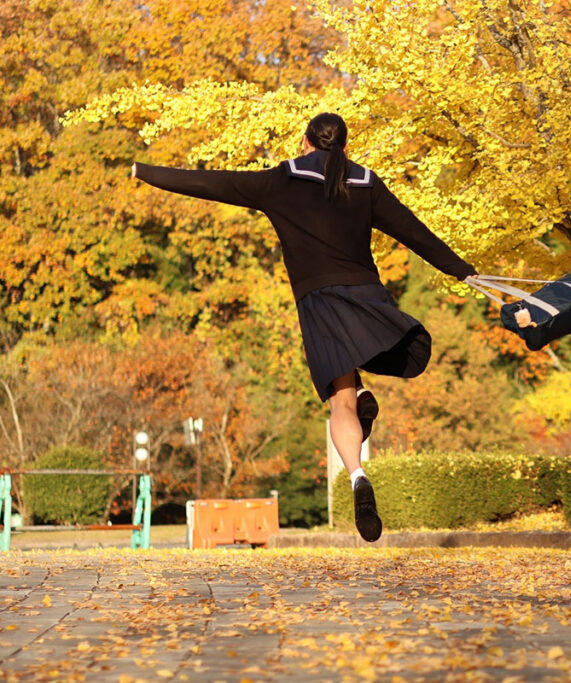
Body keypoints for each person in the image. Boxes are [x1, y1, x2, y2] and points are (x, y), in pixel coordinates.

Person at [132, 112, 478, 542]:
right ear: (345, 146)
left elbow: (214, 184)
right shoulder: (366, 182)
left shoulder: (284, 181)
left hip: (320, 304)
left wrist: (145, 172)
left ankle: (356, 475)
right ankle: (365, 397)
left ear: (305, 141)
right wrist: (462, 270)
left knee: (341, 405)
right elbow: (414, 232)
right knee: (356, 387)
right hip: (369, 299)